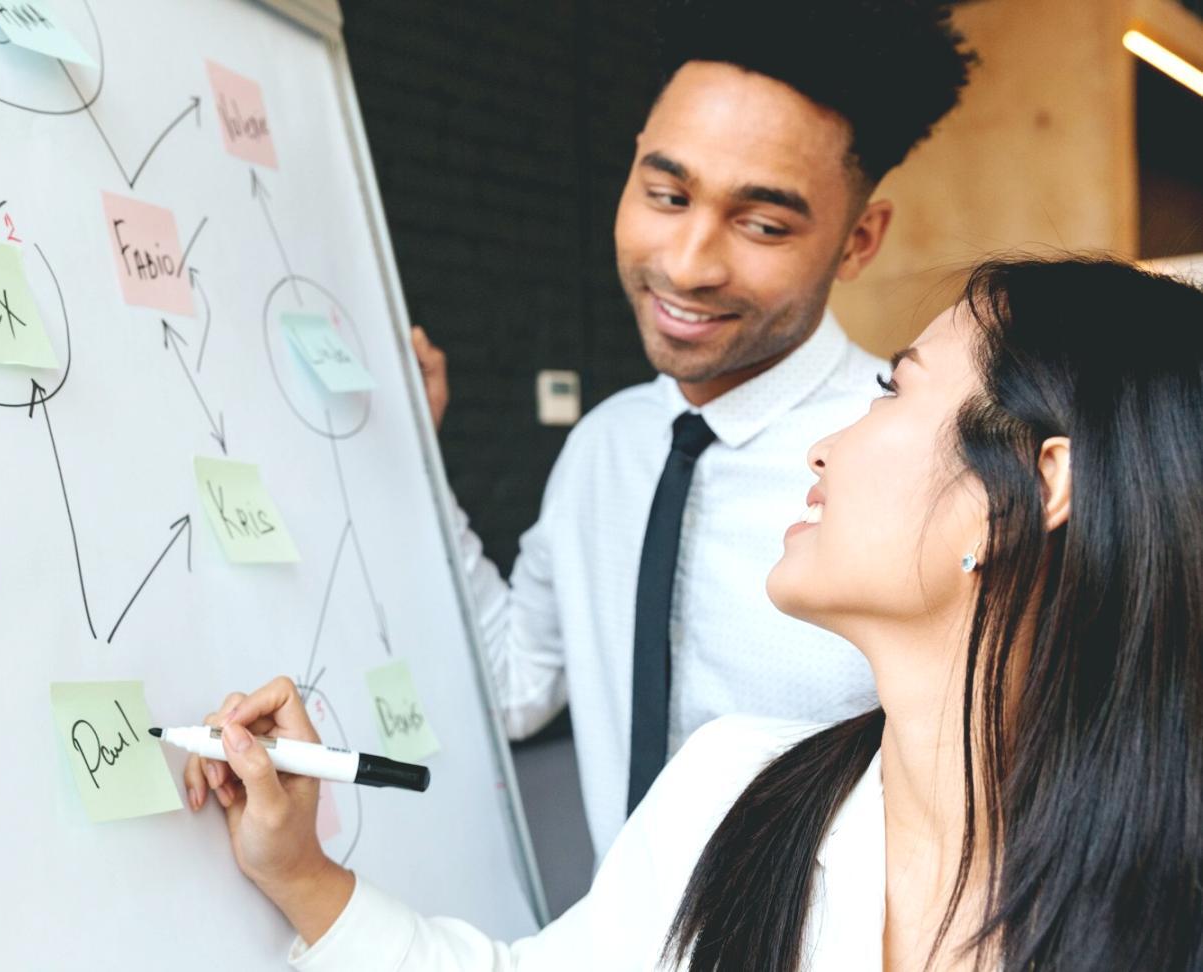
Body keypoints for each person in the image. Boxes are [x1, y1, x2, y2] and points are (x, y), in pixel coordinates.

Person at [187, 256, 1203, 970]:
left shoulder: (1166, 911)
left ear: (1036, 481)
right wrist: (303, 873)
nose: (821, 449)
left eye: (895, 392)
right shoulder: (737, 790)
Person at [411, 0, 976, 858]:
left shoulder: (929, 466)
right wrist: (414, 459)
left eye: (761, 224)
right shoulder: (604, 445)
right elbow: (517, 683)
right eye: (666, 194)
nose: (685, 264)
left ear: (859, 241)